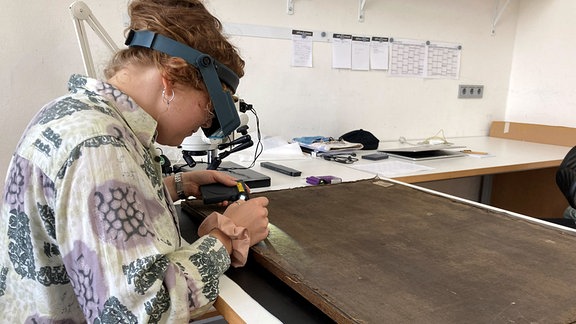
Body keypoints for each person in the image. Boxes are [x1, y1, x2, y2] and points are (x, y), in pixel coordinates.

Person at [0, 0, 270, 322]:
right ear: (169, 78)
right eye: (209, 107)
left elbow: (86, 214)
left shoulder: (78, 115)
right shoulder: (99, 147)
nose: (204, 123)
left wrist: (175, 185)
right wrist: (228, 237)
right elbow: (139, 314)